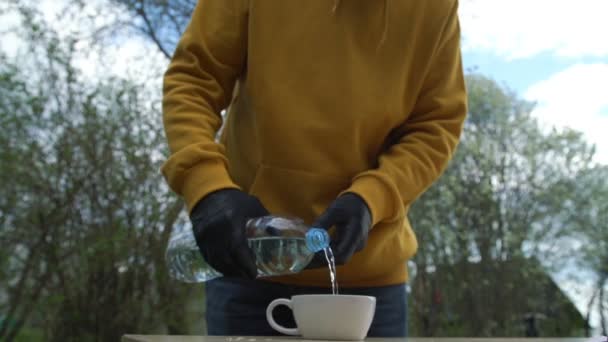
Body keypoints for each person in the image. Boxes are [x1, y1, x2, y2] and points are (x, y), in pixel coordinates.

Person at [161, 0, 467, 337]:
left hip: (370, 283)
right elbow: (195, 78)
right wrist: (207, 188)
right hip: (249, 262)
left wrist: (373, 198)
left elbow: (436, 125)